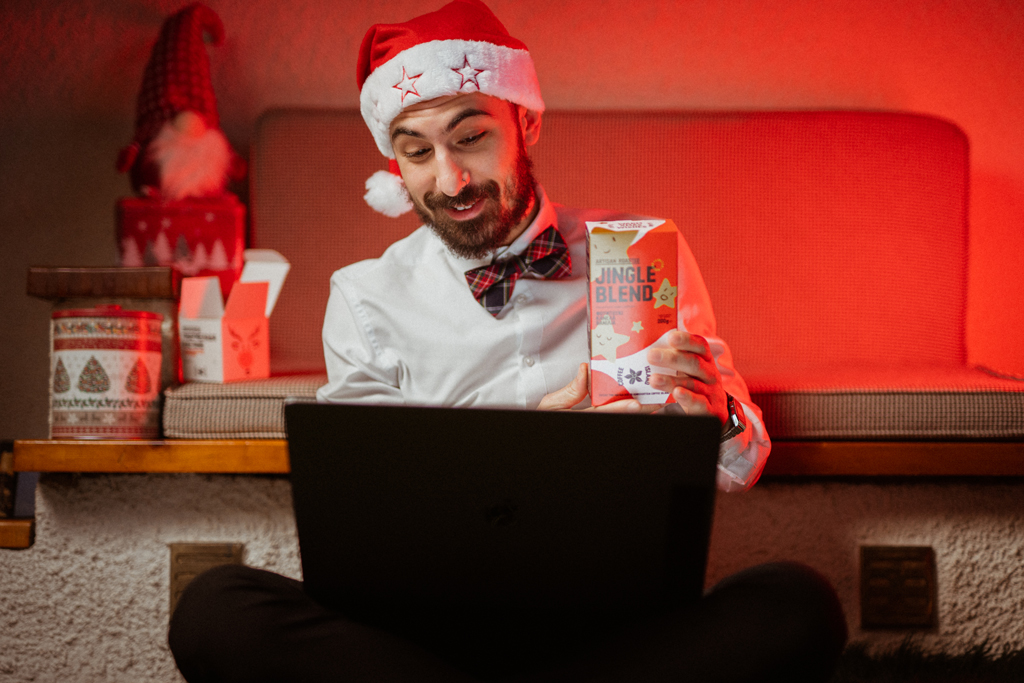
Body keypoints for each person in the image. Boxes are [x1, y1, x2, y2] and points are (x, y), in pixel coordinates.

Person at [168, 1, 847, 681]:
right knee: (213, 609)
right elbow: (368, 518)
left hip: (610, 624)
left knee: (798, 605)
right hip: (424, 630)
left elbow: (742, 464)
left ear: (526, 120)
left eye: (470, 138)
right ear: (394, 164)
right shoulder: (366, 295)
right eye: (416, 152)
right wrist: (531, 443)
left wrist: (715, 413)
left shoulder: (636, 253)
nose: (449, 179)